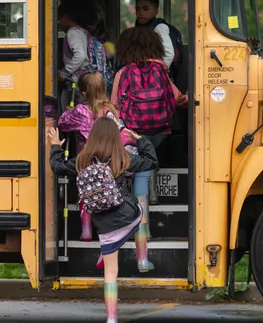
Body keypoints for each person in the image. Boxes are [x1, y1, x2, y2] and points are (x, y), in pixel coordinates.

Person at [48, 117, 158, 323]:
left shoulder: (82, 160)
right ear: (115, 136)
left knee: (110, 273)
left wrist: (55, 146)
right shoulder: (121, 157)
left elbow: (57, 167)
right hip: (127, 215)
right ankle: (142, 258)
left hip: (104, 225)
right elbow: (151, 161)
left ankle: (111, 318)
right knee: (141, 214)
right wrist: (140, 139)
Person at [111, 27, 184, 237]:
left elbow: (115, 105)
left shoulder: (123, 74)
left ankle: (143, 228)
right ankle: (152, 195)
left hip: (134, 133)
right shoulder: (161, 71)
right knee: (151, 155)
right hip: (161, 130)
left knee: (139, 171)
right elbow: (177, 97)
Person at [58, 72, 137, 250]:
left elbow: (63, 123)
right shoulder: (112, 111)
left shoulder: (81, 111)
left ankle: (86, 231)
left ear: (84, 93)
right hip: (110, 161)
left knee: (85, 192)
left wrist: (68, 111)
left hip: (87, 159)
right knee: (110, 190)